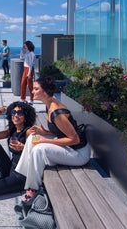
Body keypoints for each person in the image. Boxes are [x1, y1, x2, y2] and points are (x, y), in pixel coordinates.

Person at [15, 76, 90, 210]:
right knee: (33, 138)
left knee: (40, 149)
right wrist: (45, 132)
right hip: (69, 147)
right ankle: (23, 175)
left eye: (36, 89)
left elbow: (74, 139)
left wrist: (45, 140)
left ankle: (33, 188)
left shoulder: (56, 111)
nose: (32, 91)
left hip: (78, 154)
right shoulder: (49, 104)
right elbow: (62, 131)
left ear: (45, 91)